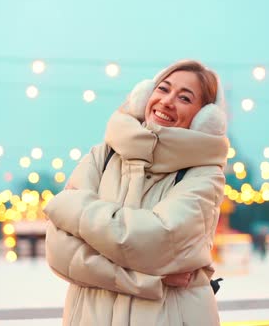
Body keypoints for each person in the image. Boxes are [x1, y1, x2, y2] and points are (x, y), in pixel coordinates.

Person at [44, 60, 229, 325]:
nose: (167, 101)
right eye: (163, 89)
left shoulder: (204, 175)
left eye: (184, 98)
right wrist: (146, 280)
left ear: (204, 119)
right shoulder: (104, 155)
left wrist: (71, 209)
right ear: (145, 95)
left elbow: (156, 240)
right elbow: (59, 251)